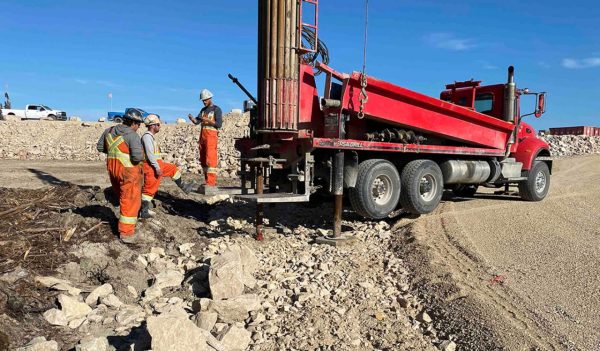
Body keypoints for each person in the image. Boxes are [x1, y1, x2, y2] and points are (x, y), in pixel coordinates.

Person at [96, 108, 144, 244]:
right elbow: (136, 158)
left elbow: (100, 148)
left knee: (122, 197)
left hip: (113, 169)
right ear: (133, 122)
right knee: (130, 200)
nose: (139, 127)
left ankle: (125, 223)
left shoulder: (108, 131)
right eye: (138, 124)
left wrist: (114, 151)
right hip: (128, 171)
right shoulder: (132, 135)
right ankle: (126, 233)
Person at [140, 114, 194, 218]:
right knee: (149, 189)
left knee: (173, 169)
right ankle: (144, 211)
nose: (159, 126)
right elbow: (150, 154)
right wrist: (157, 167)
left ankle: (184, 187)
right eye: (158, 125)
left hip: (157, 164)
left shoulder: (150, 137)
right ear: (152, 126)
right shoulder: (147, 137)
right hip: (151, 166)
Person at [188, 89, 222, 195]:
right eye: (203, 100)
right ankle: (207, 180)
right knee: (203, 159)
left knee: (210, 159)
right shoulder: (203, 110)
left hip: (211, 137)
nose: (204, 102)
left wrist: (208, 120)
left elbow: (219, 124)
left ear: (210, 98)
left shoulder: (216, 109)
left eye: (205, 100)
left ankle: (211, 182)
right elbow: (197, 122)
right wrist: (192, 119)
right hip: (203, 137)